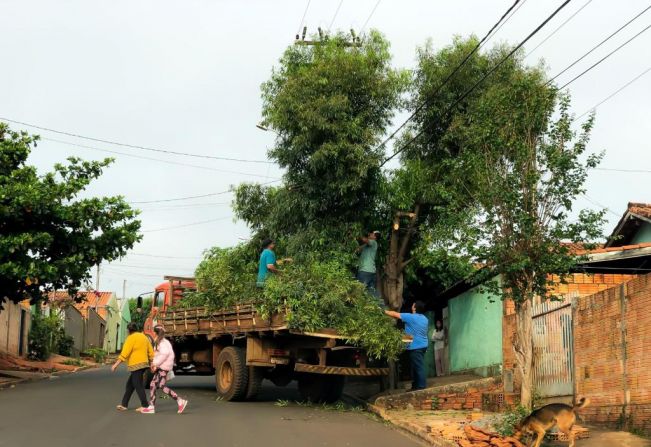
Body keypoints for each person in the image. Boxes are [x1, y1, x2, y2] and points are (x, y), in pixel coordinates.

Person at [141, 325, 188, 414]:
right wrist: (155, 364)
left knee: (158, 385)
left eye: (153, 332)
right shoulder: (163, 341)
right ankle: (152, 406)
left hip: (163, 367)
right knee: (154, 384)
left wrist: (155, 364)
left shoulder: (162, 343)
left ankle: (179, 400)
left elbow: (164, 354)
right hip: (163, 367)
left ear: (155, 333)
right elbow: (161, 354)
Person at [385, 301, 429, 391]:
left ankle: (421, 387)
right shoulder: (425, 319)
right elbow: (413, 332)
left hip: (416, 346)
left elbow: (395, 314)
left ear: (415, 308)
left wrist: (383, 311)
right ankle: (416, 386)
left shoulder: (411, 317)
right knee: (415, 367)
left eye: (413, 305)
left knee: (418, 367)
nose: (411, 307)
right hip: (422, 345)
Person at [111, 322, 154, 412]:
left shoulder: (130, 338)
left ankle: (145, 406)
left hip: (136, 365)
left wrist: (116, 364)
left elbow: (125, 353)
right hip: (144, 364)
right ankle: (124, 404)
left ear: (129, 330)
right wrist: (152, 362)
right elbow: (150, 351)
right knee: (130, 385)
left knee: (138, 385)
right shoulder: (144, 337)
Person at [356, 231, 379, 298]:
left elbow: (364, 239)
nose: (370, 233)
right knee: (372, 292)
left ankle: (358, 307)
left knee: (358, 290)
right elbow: (358, 249)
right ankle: (381, 307)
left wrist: (356, 233)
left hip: (365, 271)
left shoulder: (373, 242)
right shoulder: (367, 245)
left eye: (372, 234)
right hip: (370, 272)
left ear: (375, 237)